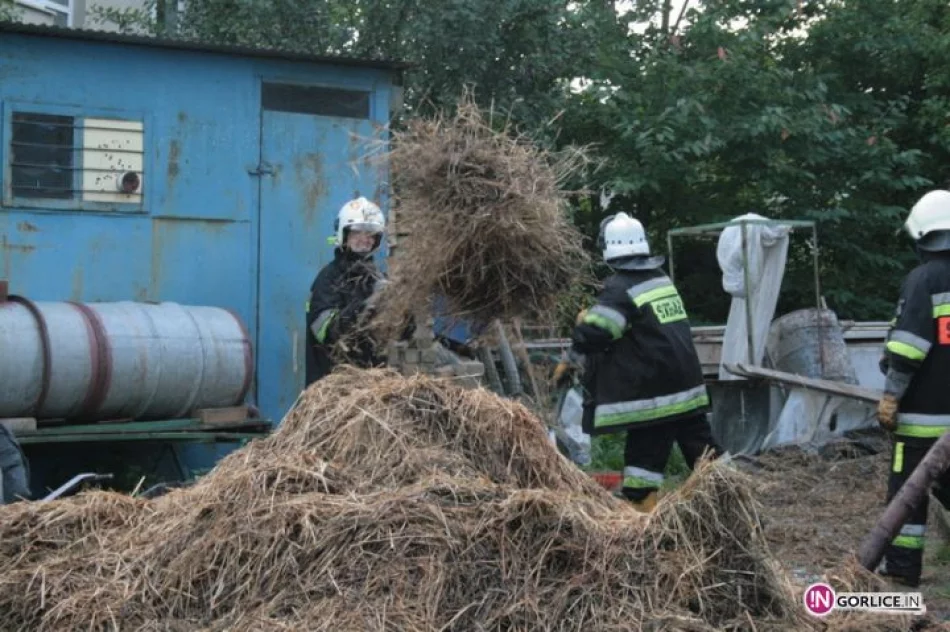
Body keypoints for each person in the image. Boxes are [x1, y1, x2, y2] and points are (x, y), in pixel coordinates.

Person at [559, 212, 723, 512]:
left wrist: (580, 331)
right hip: (687, 389)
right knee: (704, 453)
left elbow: (598, 332)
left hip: (655, 396)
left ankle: (640, 519)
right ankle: (736, 506)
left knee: (643, 459)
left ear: (608, 249)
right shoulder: (660, 280)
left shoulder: (620, 287)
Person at [876, 189, 950, 588]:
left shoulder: (924, 279)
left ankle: (902, 573)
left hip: (923, 422)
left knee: (908, 497)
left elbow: (907, 349)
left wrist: (891, 395)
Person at [305, 197, 388, 386]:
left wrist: (403, 313)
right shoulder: (328, 279)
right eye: (357, 232)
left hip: (373, 388)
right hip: (333, 388)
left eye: (371, 234)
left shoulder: (378, 279)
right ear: (344, 235)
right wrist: (365, 306)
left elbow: (396, 336)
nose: (365, 239)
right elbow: (325, 333)